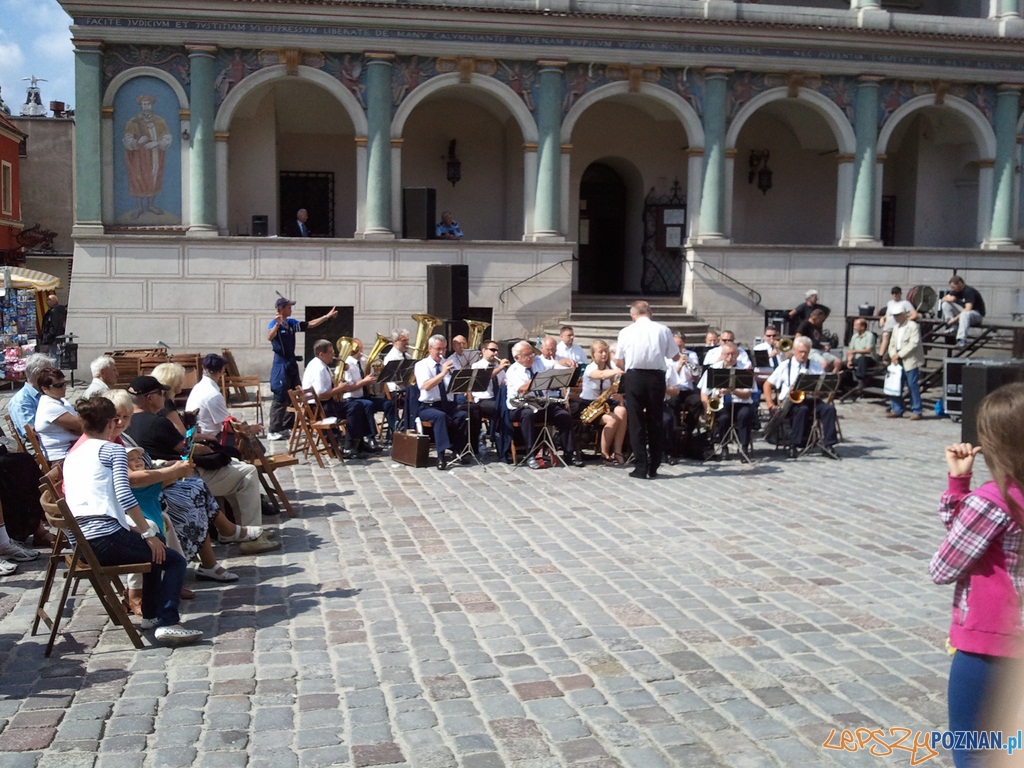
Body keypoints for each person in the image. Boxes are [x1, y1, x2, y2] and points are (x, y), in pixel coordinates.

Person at [929, 383, 1024, 768]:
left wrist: (964, 492)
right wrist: (959, 486)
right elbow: (968, 536)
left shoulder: (992, 500)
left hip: (990, 641)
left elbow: (944, 567)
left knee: (975, 748)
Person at [62, 396, 201, 644]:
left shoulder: (73, 455)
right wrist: (146, 533)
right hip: (104, 539)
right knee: (174, 560)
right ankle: (168, 621)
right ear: (113, 422)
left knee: (156, 543)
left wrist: (149, 536)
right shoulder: (113, 450)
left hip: (82, 542)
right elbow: (125, 494)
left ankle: (151, 614)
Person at [107, 388, 261, 570]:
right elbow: (131, 480)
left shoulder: (121, 436)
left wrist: (167, 467)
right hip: (136, 497)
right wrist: (172, 472)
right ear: (150, 398)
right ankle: (204, 555)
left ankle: (216, 549)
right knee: (192, 494)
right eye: (117, 417)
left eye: (126, 417)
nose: (121, 421)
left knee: (194, 487)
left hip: (146, 486)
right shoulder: (117, 439)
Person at [125, 376, 280, 554]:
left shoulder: (129, 424)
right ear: (150, 398)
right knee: (248, 472)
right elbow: (185, 449)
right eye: (161, 393)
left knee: (235, 468)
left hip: (160, 476)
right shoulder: (157, 422)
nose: (164, 397)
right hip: (179, 475)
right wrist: (204, 448)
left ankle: (236, 529)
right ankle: (252, 536)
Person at [614, 300, 680, 479]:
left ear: (633, 315)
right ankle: (654, 465)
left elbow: (619, 359)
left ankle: (641, 466)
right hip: (656, 377)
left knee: (636, 422)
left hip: (634, 376)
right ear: (650, 313)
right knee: (655, 420)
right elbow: (674, 355)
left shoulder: (626, 331)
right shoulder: (663, 329)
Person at [267, 297, 338, 440]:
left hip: (291, 362)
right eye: (288, 307)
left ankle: (287, 426)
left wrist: (326, 317)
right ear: (281, 309)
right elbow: (269, 337)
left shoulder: (292, 323)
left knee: (295, 393)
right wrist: (277, 325)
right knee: (280, 395)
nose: (291, 309)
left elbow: (309, 324)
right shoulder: (274, 323)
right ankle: (273, 430)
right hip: (280, 363)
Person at [505, 340, 582, 469]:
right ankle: (530, 454)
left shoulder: (538, 362)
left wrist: (565, 363)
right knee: (527, 415)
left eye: (531, 354)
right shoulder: (513, 371)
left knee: (564, 416)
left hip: (541, 403)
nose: (531, 357)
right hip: (520, 405)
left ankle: (569, 453)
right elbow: (522, 389)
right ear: (517, 358)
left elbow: (554, 365)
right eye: (526, 355)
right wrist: (539, 378)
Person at [763, 336, 840, 460]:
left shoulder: (815, 365)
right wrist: (770, 404)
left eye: (806, 352)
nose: (803, 355)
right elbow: (767, 384)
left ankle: (829, 445)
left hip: (812, 399)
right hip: (791, 403)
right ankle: (793, 444)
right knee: (801, 410)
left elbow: (823, 386)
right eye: (800, 352)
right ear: (794, 350)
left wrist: (820, 391)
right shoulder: (785, 365)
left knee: (828, 409)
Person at [301, 339, 374, 459]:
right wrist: (339, 389)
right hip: (319, 408)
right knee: (354, 407)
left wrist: (339, 385)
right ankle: (349, 445)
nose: (333, 355)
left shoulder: (322, 365)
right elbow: (320, 395)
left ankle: (359, 442)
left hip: (325, 404)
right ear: (321, 354)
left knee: (361, 405)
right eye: (330, 352)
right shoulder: (318, 369)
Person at [414, 334, 470, 470]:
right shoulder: (421, 365)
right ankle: (441, 455)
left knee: (462, 415)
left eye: (444, 349)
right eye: (438, 349)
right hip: (428, 406)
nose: (441, 353)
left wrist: (459, 380)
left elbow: (455, 388)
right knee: (440, 417)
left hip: (448, 405)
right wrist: (443, 373)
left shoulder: (449, 363)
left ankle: (458, 450)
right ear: (430, 349)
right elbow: (426, 386)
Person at [698, 341, 756, 458]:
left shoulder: (744, 370)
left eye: (733, 354)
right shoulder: (714, 370)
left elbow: (748, 395)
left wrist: (732, 390)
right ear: (722, 354)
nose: (730, 357)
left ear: (738, 354)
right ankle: (724, 448)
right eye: (727, 354)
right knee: (723, 418)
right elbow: (704, 391)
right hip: (722, 404)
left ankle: (744, 449)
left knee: (744, 415)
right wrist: (707, 408)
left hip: (741, 403)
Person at [122, 93, 172, 218]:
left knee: (154, 177)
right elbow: (127, 139)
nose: (146, 106)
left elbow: (167, 136)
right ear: (141, 106)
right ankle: (139, 207)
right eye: (144, 104)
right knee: (138, 178)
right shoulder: (133, 122)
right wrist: (137, 142)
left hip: (155, 155)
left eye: (148, 104)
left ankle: (151, 205)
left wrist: (157, 143)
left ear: (151, 105)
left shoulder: (159, 121)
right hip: (139, 157)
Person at [580, 340, 627, 465]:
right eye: (600, 352)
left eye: (605, 351)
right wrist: (616, 371)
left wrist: (618, 395)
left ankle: (618, 451)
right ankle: (604, 454)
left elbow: (613, 385)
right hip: (589, 406)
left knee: (622, 411)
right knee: (612, 419)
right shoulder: (590, 368)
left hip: (603, 404)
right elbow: (600, 375)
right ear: (593, 354)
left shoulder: (609, 366)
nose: (604, 354)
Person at [342, 338, 393, 448]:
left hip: (364, 396)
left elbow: (370, 381)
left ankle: (395, 432)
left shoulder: (362, 362)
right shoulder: (347, 364)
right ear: (355, 350)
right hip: (352, 398)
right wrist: (365, 381)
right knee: (368, 405)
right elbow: (348, 388)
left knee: (388, 403)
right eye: (360, 349)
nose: (362, 351)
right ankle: (371, 437)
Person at [33, 367, 83, 464]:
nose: (64, 388)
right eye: (58, 385)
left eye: (64, 383)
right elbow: (84, 426)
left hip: (72, 448)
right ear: (45, 388)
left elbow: (81, 425)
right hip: (62, 456)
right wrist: (76, 428)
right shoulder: (50, 406)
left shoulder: (60, 400)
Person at [471, 339, 509, 449]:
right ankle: (495, 436)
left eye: (497, 351)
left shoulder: (498, 366)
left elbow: (504, 383)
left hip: (497, 399)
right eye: (492, 350)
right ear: (484, 350)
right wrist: (500, 368)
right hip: (483, 400)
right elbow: (485, 378)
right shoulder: (477, 365)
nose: (496, 353)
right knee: (501, 408)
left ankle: (505, 439)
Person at [886, 306, 923, 421]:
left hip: (910, 360)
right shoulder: (896, 327)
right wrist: (893, 355)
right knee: (895, 385)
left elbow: (914, 343)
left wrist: (899, 354)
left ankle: (917, 410)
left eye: (898, 315)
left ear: (904, 314)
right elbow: (892, 343)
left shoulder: (913, 326)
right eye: (894, 316)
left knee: (912, 385)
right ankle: (897, 409)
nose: (896, 318)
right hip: (897, 359)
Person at [185, 354, 234, 440]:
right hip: (208, 438)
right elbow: (228, 426)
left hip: (195, 434)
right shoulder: (213, 395)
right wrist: (250, 429)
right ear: (222, 370)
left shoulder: (198, 386)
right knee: (248, 442)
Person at [7, 353, 55, 438]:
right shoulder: (21, 400)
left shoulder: (45, 392)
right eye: (48, 371)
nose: (52, 375)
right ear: (37, 374)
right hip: (39, 445)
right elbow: (30, 433)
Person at [941, 275, 986, 348]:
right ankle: (952, 326)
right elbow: (943, 299)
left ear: (959, 284)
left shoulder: (969, 291)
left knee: (965, 314)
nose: (952, 289)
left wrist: (955, 318)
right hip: (964, 314)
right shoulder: (955, 291)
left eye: (953, 287)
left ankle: (961, 340)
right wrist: (951, 299)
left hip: (976, 315)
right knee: (945, 304)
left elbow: (968, 309)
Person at [794, 308, 842, 373]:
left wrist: (823, 347)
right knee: (824, 364)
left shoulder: (818, 326)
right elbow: (798, 336)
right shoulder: (805, 324)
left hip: (819, 349)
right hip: (811, 350)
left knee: (837, 362)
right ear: (817, 317)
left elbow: (816, 340)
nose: (822, 321)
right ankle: (821, 379)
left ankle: (833, 378)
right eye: (821, 319)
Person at [877, 286, 918, 358]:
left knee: (894, 345)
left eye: (896, 293)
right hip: (888, 327)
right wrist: (882, 318)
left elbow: (914, 314)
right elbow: (888, 315)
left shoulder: (905, 303)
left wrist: (905, 322)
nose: (894, 295)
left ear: (900, 294)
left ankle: (891, 358)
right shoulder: (890, 303)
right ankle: (880, 356)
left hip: (898, 328)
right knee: (885, 337)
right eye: (893, 293)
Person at [151, 361, 189, 436]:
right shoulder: (166, 402)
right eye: (179, 379)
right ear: (172, 382)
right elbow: (182, 433)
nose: (182, 382)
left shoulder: (155, 400)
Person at [844, 317, 876, 394]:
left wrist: (855, 351)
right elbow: (850, 351)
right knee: (842, 364)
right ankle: (845, 385)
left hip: (869, 359)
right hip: (857, 359)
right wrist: (849, 360)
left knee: (863, 358)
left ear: (862, 327)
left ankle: (861, 381)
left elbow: (868, 350)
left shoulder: (869, 335)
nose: (854, 327)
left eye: (856, 325)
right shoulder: (854, 337)